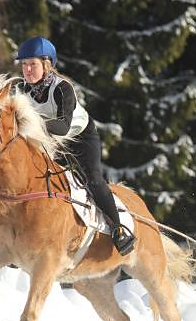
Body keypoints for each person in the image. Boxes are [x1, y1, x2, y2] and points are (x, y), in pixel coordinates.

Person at [15, 36, 136, 255]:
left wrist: (28, 122)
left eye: (32, 64)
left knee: (93, 180)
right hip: (51, 142)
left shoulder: (62, 88)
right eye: (24, 64)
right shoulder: (21, 90)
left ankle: (119, 228)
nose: (27, 70)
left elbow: (62, 127)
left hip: (80, 139)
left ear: (47, 64)